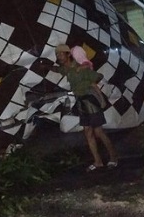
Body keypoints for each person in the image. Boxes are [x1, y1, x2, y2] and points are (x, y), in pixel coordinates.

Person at [50, 44, 119, 172]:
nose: (59, 56)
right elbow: (59, 70)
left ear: (68, 54)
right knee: (88, 132)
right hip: (81, 101)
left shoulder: (80, 67)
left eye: (61, 53)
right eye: (57, 54)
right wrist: (46, 67)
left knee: (98, 132)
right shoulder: (67, 69)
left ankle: (113, 157)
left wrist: (102, 99)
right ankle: (98, 161)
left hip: (90, 100)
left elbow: (96, 79)